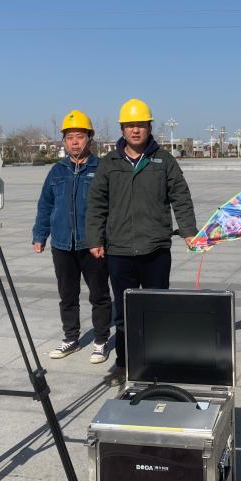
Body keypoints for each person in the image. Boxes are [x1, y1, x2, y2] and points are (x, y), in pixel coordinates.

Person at [85, 98, 197, 371]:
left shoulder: (164, 160)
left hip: (155, 249)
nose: (135, 130)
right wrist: (95, 238)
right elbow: (97, 203)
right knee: (124, 312)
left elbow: (180, 197)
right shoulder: (109, 163)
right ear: (122, 129)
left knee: (157, 308)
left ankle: (157, 362)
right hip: (119, 251)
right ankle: (126, 364)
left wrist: (188, 231)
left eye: (141, 125)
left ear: (149, 127)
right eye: (130, 125)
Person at [32, 110, 112, 364]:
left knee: (99, 295)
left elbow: (111, 206)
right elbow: (46, 204)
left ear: (90, 139)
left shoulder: (102, 168)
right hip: (62, 244)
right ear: (64, 142)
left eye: (79, 136)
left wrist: (104, 238)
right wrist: (40, 234)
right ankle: (71, 338)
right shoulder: (57, 171)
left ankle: (101, 340)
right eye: (69, 138)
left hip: (92, 245)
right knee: (67, 295)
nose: (74, 142)